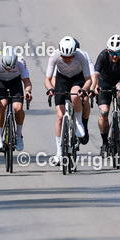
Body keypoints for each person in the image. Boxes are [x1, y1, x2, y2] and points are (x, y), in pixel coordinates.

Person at [43, 36, 91, 165]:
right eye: (64, 57)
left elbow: (88, 80)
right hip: (62, 79)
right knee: (60, 116)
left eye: (70, 57)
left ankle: (79, 122)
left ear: (75, 53)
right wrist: (50, 89)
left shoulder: (81, 56)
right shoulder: (55, 56)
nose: (67, 59)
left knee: (75, 96)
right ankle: (59, 152)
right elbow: (47, 79)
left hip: (77, 78)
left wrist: (84, 89)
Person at [0, 47, 33, 152]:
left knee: (18, 107)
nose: (8, 69)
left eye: (10, 67)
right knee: (2, 104)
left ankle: (19, 135)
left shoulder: (20, 61)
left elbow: (27, 81)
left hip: (15, 81)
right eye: (5, 67)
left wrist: (28, 91)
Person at [94, 34, 120, 155]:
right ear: (108, 51)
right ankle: (104, 143)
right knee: (103, 112)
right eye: (112, 53)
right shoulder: (103, 55)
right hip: (104, 81)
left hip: (119, 79)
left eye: (118, 53)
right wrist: (95, 85)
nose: (114, 56)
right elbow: (96, 74)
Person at [72, 38, 93, 144]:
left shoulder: (84, 56)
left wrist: (91, 89)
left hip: (82, 79)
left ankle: (84, 123)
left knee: (85, 98)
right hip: (67, 80)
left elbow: (92, 74)